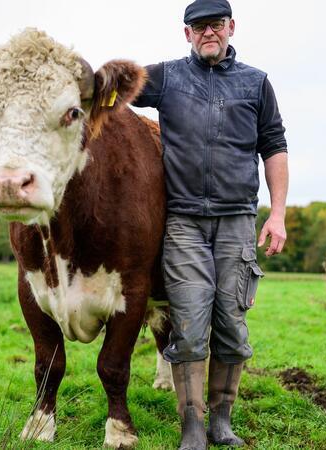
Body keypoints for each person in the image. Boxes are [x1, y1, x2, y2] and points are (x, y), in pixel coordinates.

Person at [132, 0, 289, 448]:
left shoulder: (256, 83)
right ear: (186, 34)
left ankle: (222, 420)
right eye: (198, 27)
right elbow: (109, 89)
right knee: (189, 324)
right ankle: (193, 427)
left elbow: (274, 146)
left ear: (231, 27)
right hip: (183, 222)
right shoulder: (166, 78)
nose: (207, 33)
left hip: (238, 220)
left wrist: (276, 214)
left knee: (232, 325)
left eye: (215, 25)